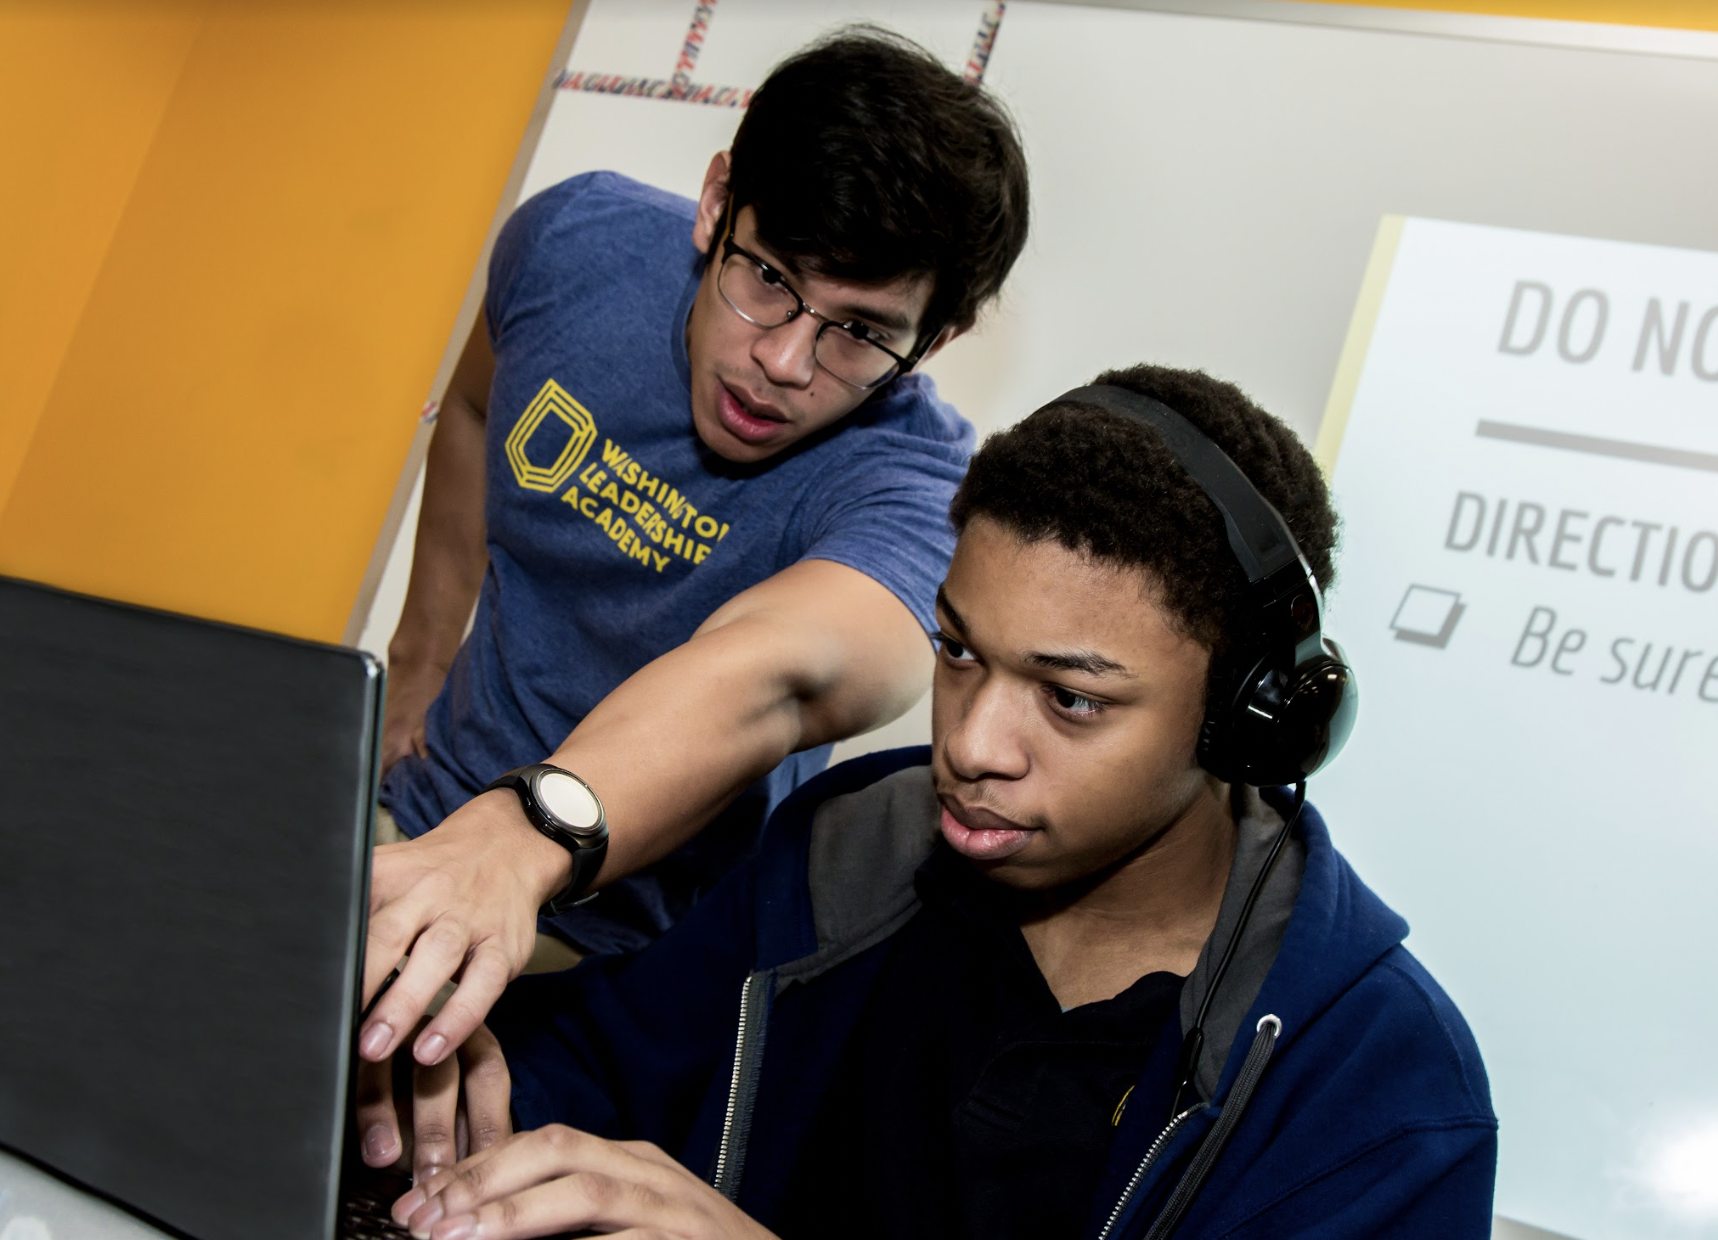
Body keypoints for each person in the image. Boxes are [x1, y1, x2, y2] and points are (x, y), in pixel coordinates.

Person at [368, 366, 1499, 1239]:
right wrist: (438, 1070)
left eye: (1069, 698)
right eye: (959, 652)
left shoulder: (1378, 1084)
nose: (970, 744)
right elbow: (617, 1064)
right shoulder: (853, 843)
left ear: (1244, 722)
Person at [355, 23, 1030, 1137]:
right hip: (417, 824)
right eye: (768, 278)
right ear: (718, 202)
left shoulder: (916, 493)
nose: (784, 361)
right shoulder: (574, 243)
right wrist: (422, 656)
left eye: (862, 332)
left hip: (630, 959)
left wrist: (518, 841)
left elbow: (775, 671)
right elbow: (474, 407)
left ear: (941, 333)